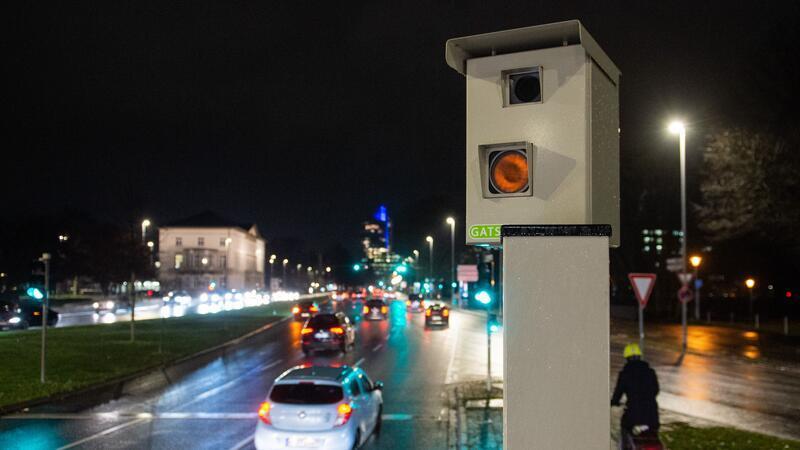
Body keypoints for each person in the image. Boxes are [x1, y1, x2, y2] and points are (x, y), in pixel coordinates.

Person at [611, 343, 660, 446]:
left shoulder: (624, 374)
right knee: (654, 435)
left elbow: (618, 393)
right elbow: (656, 390)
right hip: (652, 415)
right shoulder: (650, 372)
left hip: (633, 415)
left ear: (627, 359)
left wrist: (614, 402)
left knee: (624, 427)